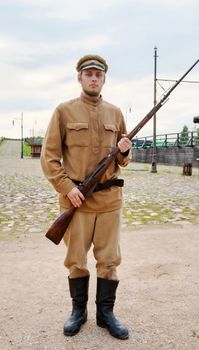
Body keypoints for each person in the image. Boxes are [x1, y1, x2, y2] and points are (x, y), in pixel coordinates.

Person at [40, 54, 132, 340]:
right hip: (76, 201)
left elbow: (124, 160)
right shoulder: (63, 111)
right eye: (88, 74)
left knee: (108, 260)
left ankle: (106, 315)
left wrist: (126, 150)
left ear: (104, 79)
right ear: (79, 78)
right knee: (76, 260)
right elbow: (49, 157)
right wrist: (67, 188)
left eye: (98, 75)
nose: (94, 78)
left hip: (108, 202)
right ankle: (78, 312)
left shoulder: (116, 113)